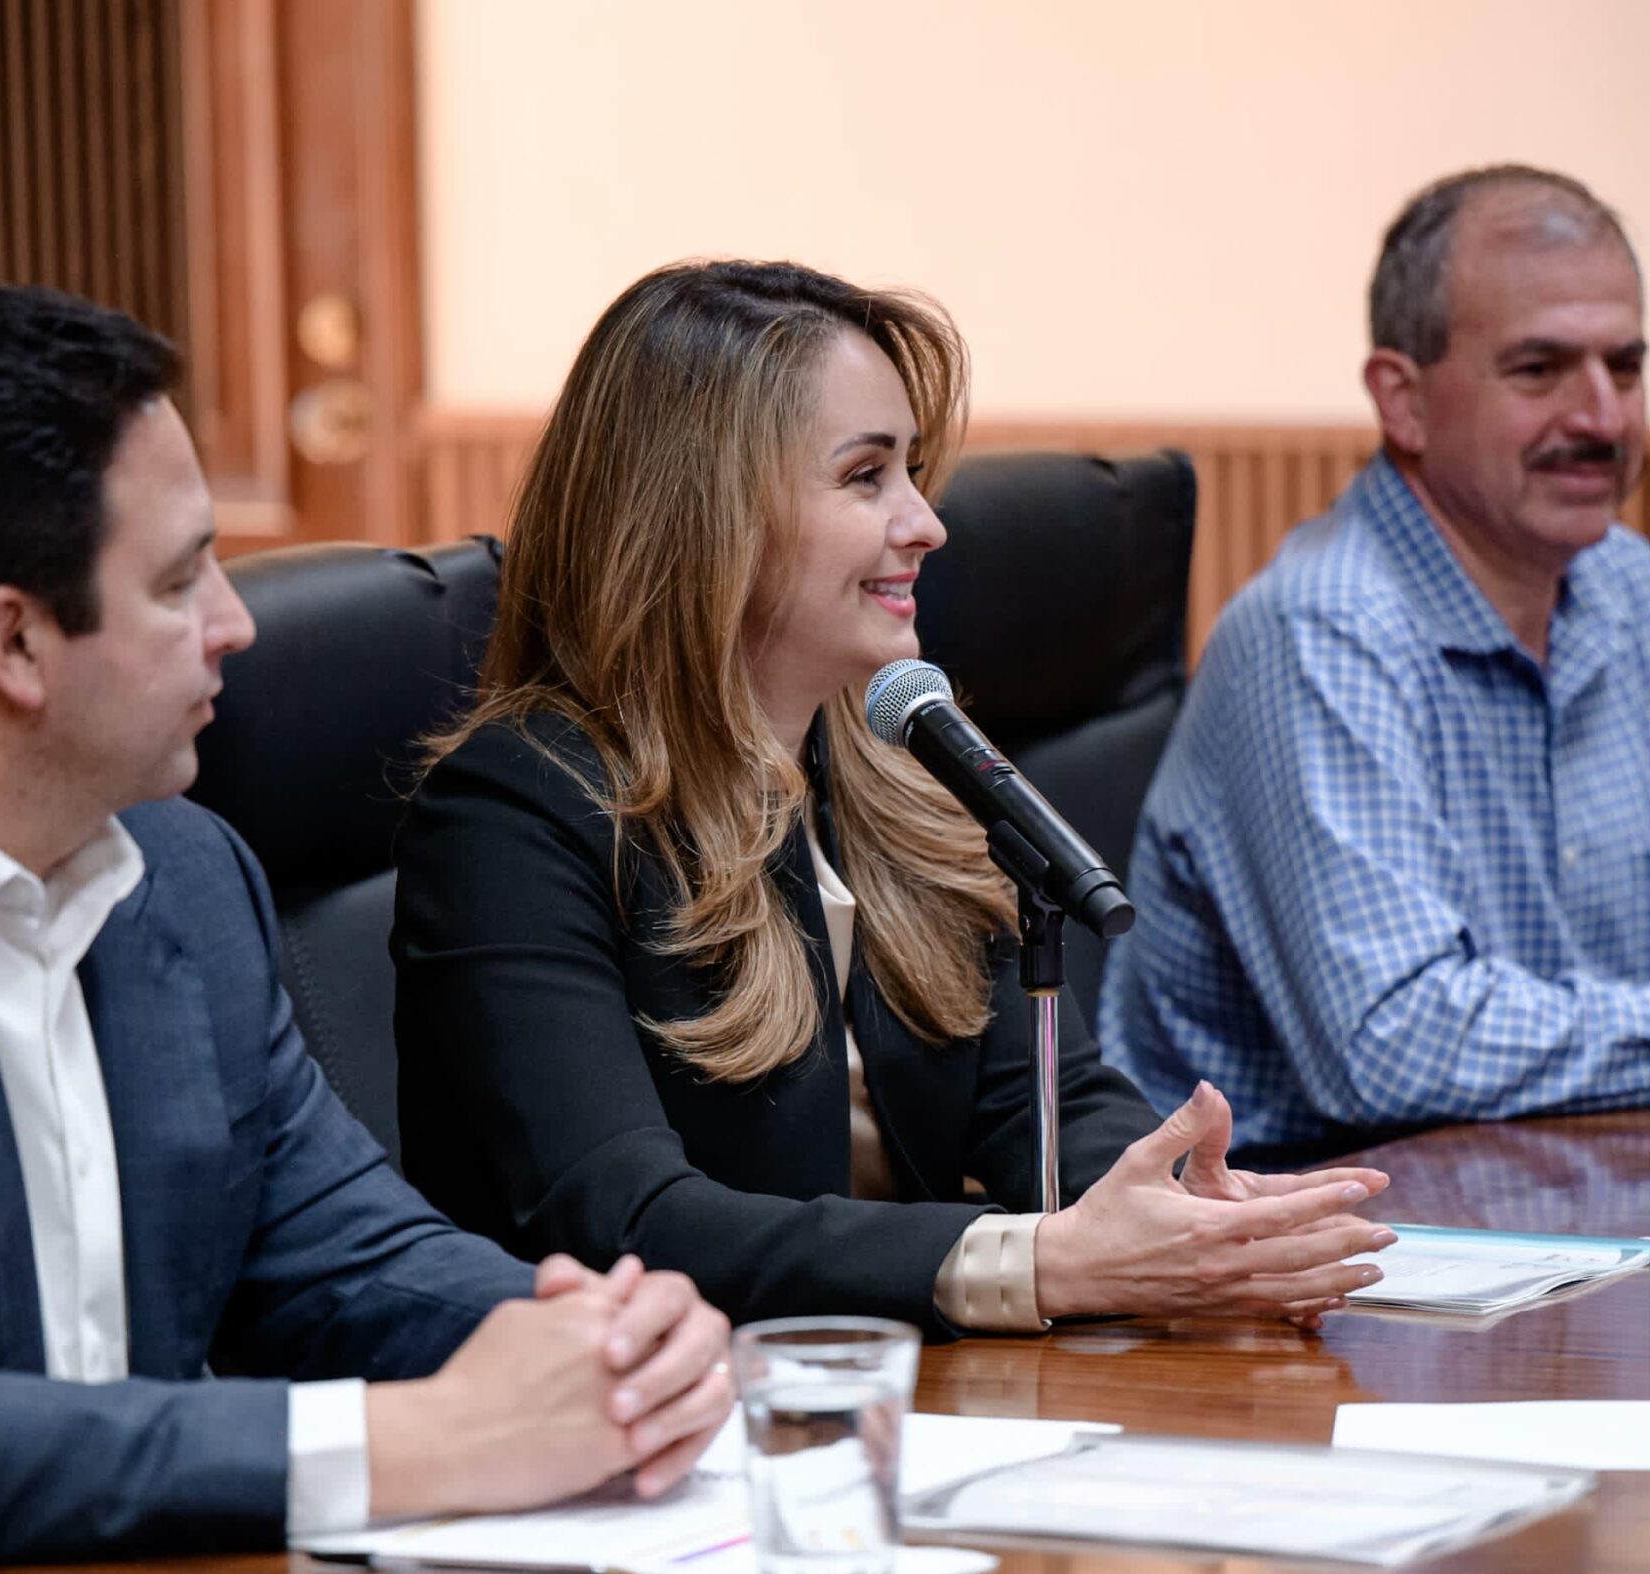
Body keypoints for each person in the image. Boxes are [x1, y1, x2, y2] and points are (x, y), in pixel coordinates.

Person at [0, 285, 731, 1574]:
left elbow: (342, 1250)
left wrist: (597, 1342)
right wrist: (416, 1440)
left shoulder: (181, 870)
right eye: (178, 582)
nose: (236, 623)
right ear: (13, 642)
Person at [394, 260, 1397, 1337]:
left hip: (905, 1385)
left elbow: (1040, 1099)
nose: (926, 523)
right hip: (660, 1408)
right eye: (866, 476)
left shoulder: (895, 761)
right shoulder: (515, 812)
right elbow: (626, 1221)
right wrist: (1040, 1263)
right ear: (706, 516)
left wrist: (1185, 1211)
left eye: (912, 471)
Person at [1101, 166, 1650, 1150]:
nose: (1602, 419)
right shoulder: (1321, 633)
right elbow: (1395, 1043)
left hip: (1588, 1187)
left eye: (1624, 368)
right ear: (1403, 401)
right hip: (1313, 1219)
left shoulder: (1631, 589)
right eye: (1540, 370)